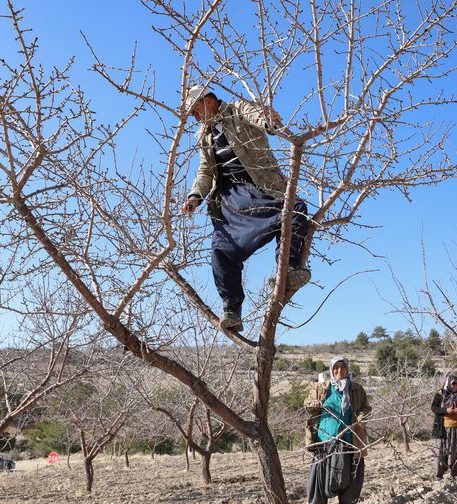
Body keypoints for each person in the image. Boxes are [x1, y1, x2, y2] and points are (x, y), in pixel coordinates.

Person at [180, 85, 311, 332]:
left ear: (208, 101)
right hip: (231, 198)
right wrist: (194, 196)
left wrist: (266, 119)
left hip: (262, 186)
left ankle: (289, 268)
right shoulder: (203, 135)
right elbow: (206, 171)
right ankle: (231, 307)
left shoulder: (238, 110)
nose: (196, 119)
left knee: (296, 210)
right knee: (221, 248)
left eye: (196, 111)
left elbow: (257, 116)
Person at [304, 356, 371, 504]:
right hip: (325, 447)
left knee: (350, 495)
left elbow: (366, 408)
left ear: (347, 369)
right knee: (317, 494)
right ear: (331, 370)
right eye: (336, 368)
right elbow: (307, 405)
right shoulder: (321, 389)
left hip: (351, 447)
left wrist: (361, 416)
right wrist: (313, 404)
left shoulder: (357, 389)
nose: (339, 370)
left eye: (343, 367)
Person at [430, 374, 457, 481]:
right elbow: (434, 408)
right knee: (441, 451)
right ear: (448, 383)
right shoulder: (440, 394)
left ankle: (454, 473)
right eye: (453, 384)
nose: (455, 386)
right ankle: (439, 475)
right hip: (443, 429)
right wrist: (446, 410)